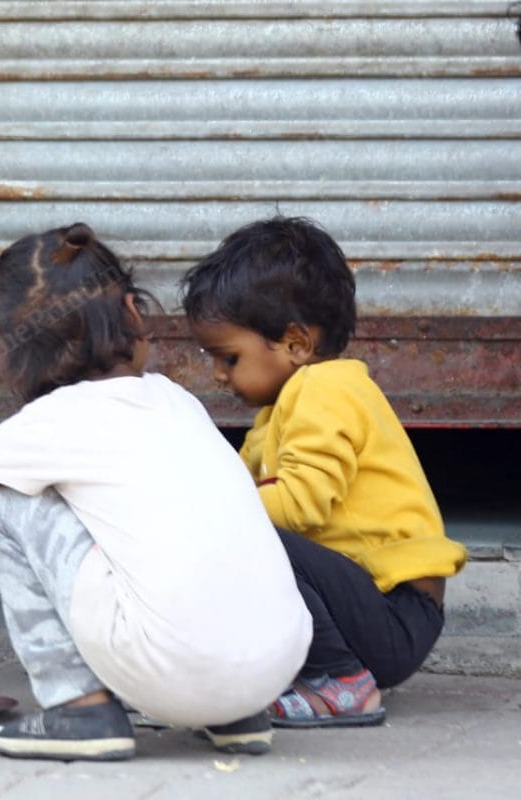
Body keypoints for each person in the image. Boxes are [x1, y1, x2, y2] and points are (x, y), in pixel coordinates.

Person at [0, 222, 312, 762]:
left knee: (8, 504)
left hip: (172, 668)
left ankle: (79, 707)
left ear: (19, 355)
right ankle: (232, 716)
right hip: (276, 665)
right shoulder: (179, 402)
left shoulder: (39, 428)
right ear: (133, 312)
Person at [180, 215, 467, 728]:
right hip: (370, 609)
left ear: (296, 343)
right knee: (229, 532)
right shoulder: (279, 412)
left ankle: (341, 680)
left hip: (396, 613)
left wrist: (205, 511)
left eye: (228, 356)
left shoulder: (326, 390)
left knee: (246, 530)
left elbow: (298, 506)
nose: (218, 374)